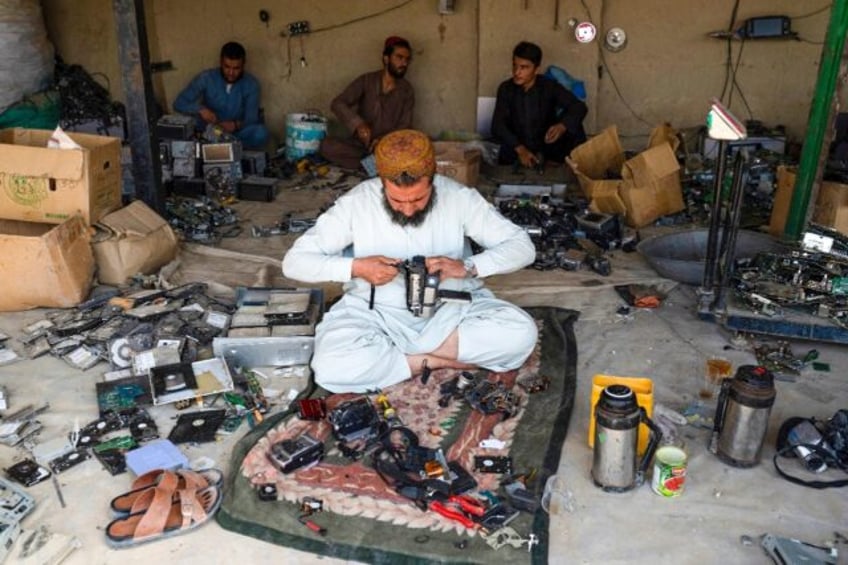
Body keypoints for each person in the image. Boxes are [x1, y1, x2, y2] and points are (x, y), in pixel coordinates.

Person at [284, 129, 537, 393]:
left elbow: (522, 246)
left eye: (418, 199)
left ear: (432, 179)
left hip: (449, 310)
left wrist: (468, 267)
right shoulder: (356, 203)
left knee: (521, 333)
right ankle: (427, 361)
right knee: (329, 366)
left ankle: (395, 359)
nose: (407, 209)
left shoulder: (460, 198)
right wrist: (356, 268)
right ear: (382, 181)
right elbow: (294, 262)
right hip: (375, 314)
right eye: (396, 200)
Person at [320, 36, 415, 170]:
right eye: (399, 57)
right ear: (386, 58)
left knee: (411, 150)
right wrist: (358, 124)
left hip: (388, 147)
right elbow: (338, 103)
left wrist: (383, 140)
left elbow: (405, 127)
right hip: (361, 145)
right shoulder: (366, 80)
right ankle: (372, 166)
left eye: (407, 59)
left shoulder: (407, 90)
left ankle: (372, 165)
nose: (404, 63)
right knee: (327, 145)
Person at [491, 41, 588, 168]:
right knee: (496, 143)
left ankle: (557, 165)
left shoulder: (549, 86)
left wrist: (562, 126)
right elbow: (497, 125)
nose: (517, 72)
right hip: (516, 145)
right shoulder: (506, 88)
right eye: (515, 66)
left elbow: (579, 107)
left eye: (524, 67)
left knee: (575, 126)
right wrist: (520, 149)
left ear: (536, 69)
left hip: (546, 143)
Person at [173, 41, 269, 149]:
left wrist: (235, 125)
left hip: (237, 135)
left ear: (243, 65)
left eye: (236, 68)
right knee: (186, 124)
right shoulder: (206, 78)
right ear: (220, 63)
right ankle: (215, 149)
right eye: (227, 67)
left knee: (260, 133)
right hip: (209, 133)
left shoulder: (251, 84)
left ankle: (231, 150)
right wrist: (201, 110)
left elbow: (251, 119)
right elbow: (179, 103)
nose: (231, 73)